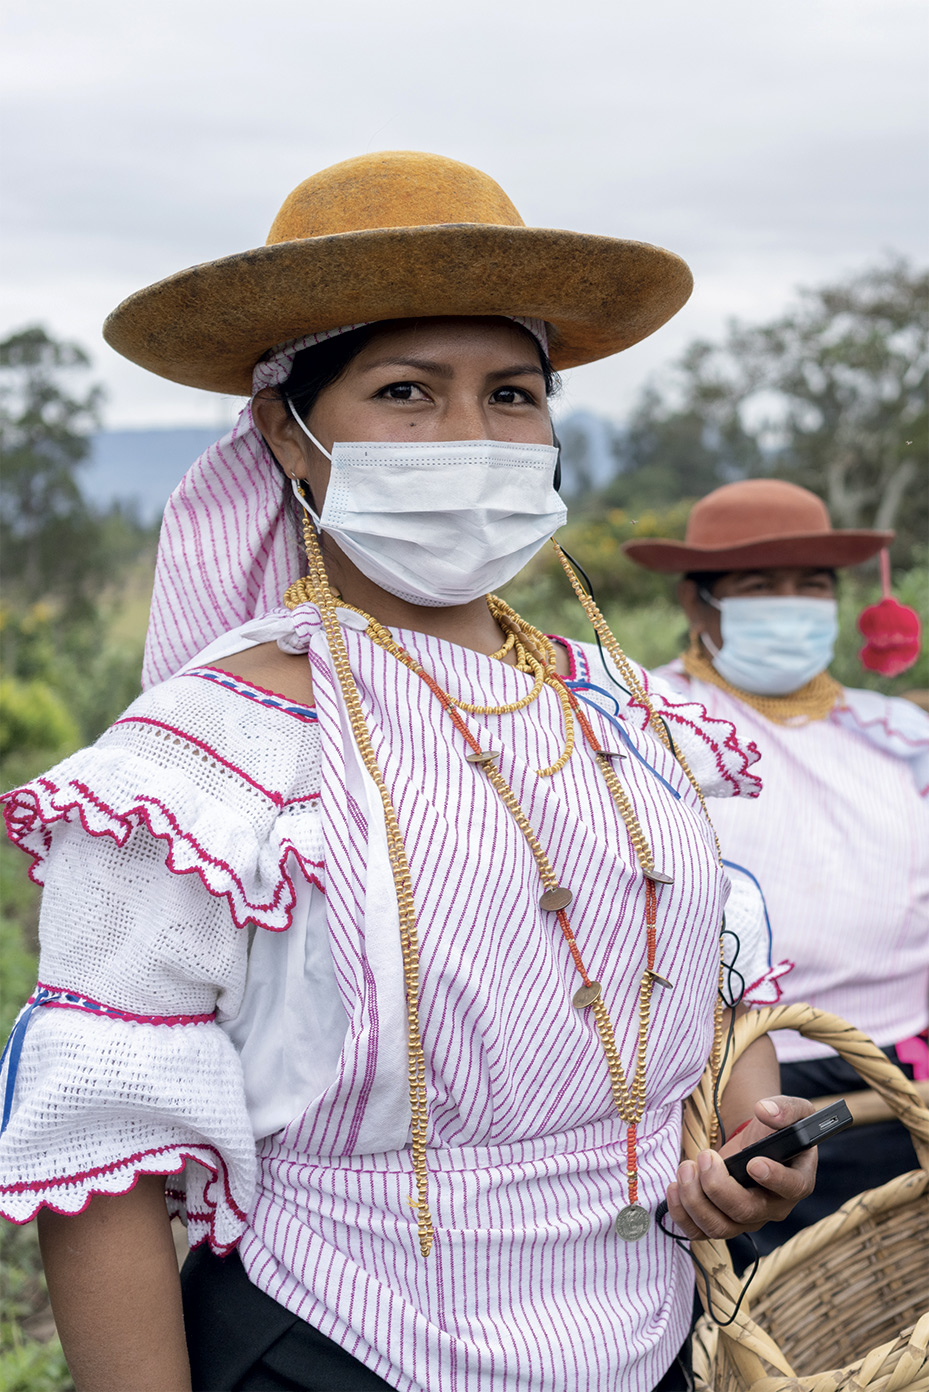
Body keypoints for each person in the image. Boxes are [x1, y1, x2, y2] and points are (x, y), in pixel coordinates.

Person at [0, 153, 816, 1392]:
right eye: (404, 392)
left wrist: (743, 1150)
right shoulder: (205, 768)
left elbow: (702, 973)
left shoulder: (624, 714)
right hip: (335, 1342)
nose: (471, 437)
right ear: (286, 432)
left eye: (510, 395)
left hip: (647, 1337)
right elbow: (110, 1153)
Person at [624, 477, 929, 1254]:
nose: (790, 603)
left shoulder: (897, 732)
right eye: (760, 585)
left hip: (904, 1072)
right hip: (742, 1082)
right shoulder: (647, 724)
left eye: (811, 585)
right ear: (698, 604)